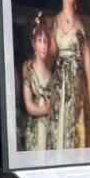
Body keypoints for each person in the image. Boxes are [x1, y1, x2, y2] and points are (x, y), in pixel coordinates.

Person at [51, 0, 90, 149]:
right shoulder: (54, 23)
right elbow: (49, 62)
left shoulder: (82, 29)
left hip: (78, 97)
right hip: (59, 96)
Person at [21, 14, 53, 151]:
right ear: (34, 44)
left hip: (49, 129)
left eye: (46, 41)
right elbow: (28, 105)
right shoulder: (28, 68)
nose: (43, 46)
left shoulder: (51, 75)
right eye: (40, 41)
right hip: (34, 129)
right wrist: (44, 109)